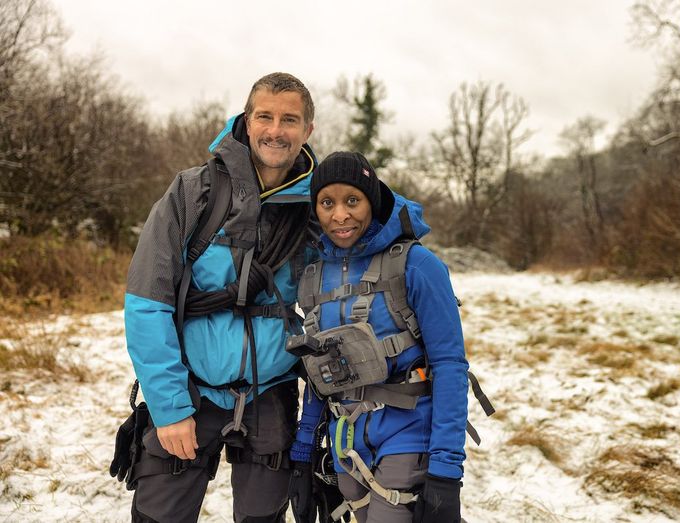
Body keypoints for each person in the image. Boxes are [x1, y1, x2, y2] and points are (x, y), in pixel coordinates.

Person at [123, 72, 319, 523]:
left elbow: (371, 230)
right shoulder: (194, 192)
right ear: (246, 121)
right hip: (190, 389)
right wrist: (170, 408)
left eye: (290, 119)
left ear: (307, 130)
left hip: (271, 393)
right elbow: (147, 304)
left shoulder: (319, 204)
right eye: (264, 116)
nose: (276, 130)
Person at [287, 152, 469, 523]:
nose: (340, 215)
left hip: (408, 435)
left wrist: (446, 473)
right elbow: (321, 372)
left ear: (372, 199)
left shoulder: (417, 266)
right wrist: (303, 452)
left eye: (352, 200)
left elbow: (451, 367)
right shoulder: (313, 276)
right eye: (327, 203)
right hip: (345, 447)